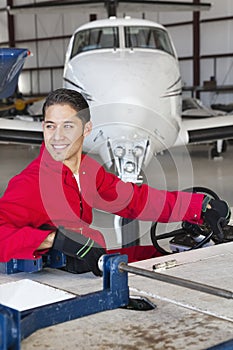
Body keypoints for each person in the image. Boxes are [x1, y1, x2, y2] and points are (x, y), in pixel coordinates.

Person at [0, 88, 230, 276]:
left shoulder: (87, 170)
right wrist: (54, 240)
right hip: (52, 280)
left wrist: (198, 206)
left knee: (167, 257)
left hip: (86, 263)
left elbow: (134, 200)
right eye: (50, 126)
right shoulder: (30, 184)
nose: (57, 136)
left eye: (68, 126)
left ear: (86, 129)